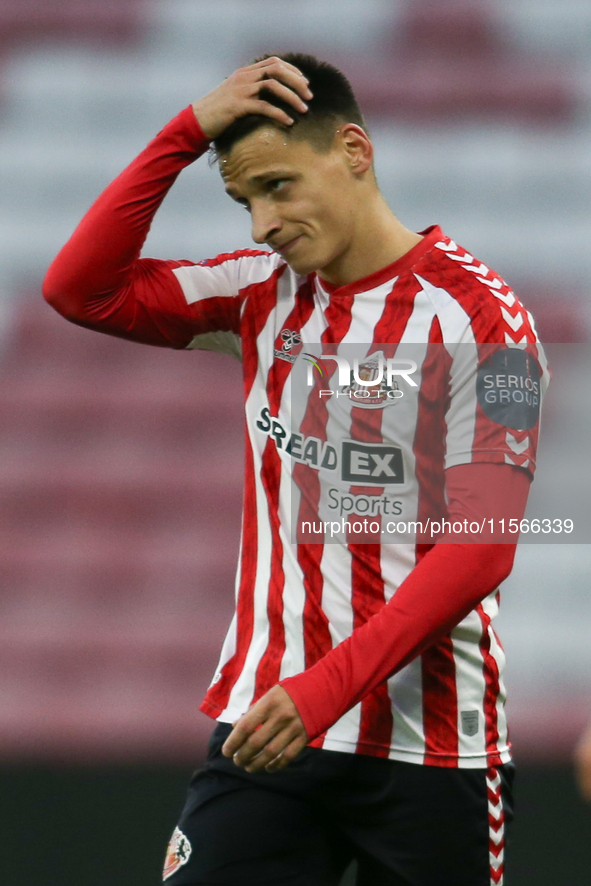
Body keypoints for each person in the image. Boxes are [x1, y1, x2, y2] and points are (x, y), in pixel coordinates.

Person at [44, 53, 548, 886]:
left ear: (353, 151)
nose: (259, 226)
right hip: (269, 726)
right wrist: (183, 134)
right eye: (243, 200)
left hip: (432, 745)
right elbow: (79, 291)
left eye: (277, 186)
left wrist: (326, 690)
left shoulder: (488, 324)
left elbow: (482, 547)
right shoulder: (258, 295)